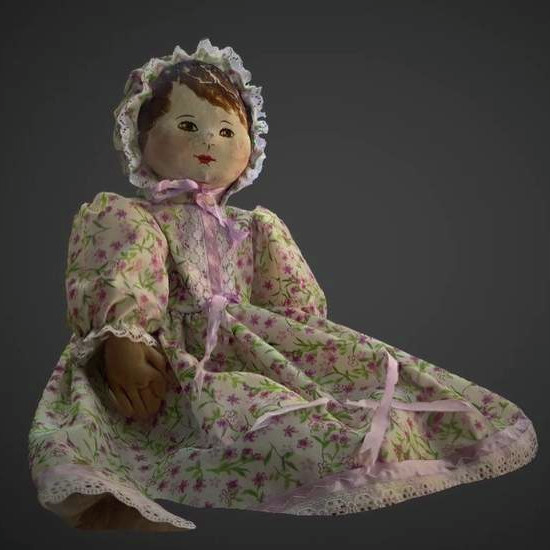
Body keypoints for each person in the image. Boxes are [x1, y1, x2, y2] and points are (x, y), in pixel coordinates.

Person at [28, 38, 538, 532]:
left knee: (345, 407)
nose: (209, 141)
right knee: (228, 427)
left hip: (250, 347)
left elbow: (292, 304)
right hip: (171, 360)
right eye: (187, 125)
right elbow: (123, 271)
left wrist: (303, 346)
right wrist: (123, 336)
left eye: (227, 130)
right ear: (140, 138)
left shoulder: (254, 226)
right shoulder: (130, 217)